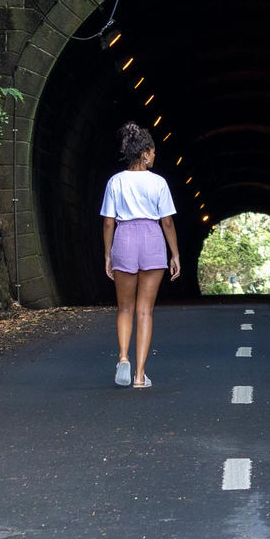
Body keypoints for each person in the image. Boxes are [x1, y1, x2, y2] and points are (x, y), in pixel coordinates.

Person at [100, 121, 180, 388]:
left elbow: (109, 221)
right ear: (145, 152)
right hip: (151, 239)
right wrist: (175, 254)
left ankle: (123, 356)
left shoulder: (115, 182)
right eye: (153, 152)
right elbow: (167, 222)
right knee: (144, 311)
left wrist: (108, 254)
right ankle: (139, 375)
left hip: (124, 237)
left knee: (125, 307)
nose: (155, 156)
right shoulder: (158, 183)